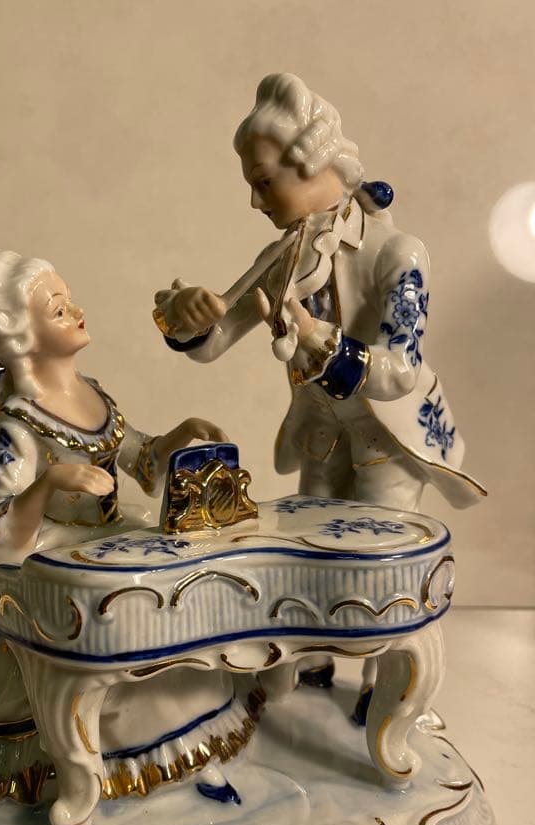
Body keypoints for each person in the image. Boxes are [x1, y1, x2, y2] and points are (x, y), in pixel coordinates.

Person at [0, 246, 251, 809]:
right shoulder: (20, 420)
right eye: (57, 309)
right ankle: (92, 775)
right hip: (51, 549)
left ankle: (183, 755)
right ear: (23, 337)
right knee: (104, 629)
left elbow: (140, 460)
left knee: (174, 597)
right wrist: (51, 483)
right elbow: (3, 527)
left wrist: (179, 434)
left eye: (69, 300)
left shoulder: (91, 392)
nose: (76, 311)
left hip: (111, 535)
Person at [153, 72, 485, 514]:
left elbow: (401, 370)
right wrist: (188, 319)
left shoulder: (397, 254)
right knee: (309, 536)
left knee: (381, 541)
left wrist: (315, 337)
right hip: (321, 435)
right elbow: (215, 341)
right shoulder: (280, 259)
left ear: (309, 166)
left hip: (387, 438)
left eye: (264, 182)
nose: (255, 202)